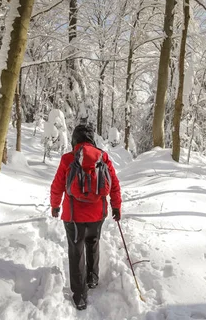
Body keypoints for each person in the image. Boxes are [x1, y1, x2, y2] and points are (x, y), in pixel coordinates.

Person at [50, 124, 122, 311]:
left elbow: (57, 185)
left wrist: (55, 205)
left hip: (73, 217)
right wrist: (116, 206)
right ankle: (92, 278)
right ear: (92, 139)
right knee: (93, 242)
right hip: (97, 215)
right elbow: (114, 184)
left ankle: (80, 296)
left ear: (74, 139)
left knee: (76, 252)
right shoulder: (103, 157)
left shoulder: (68, 158)